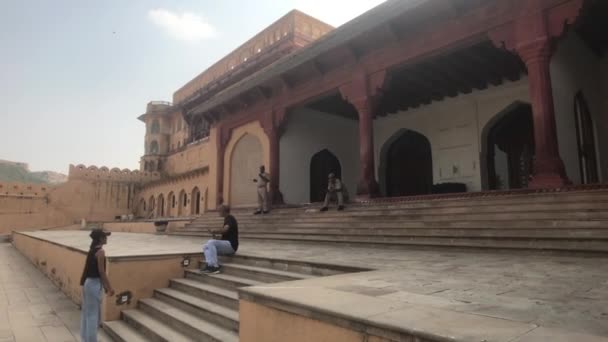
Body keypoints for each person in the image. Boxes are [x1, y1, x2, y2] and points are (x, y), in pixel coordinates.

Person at [80, 228, 114, 342]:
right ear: (100, 238)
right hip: (93, 284)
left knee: (87, 313)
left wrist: (104, 287)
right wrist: (109, 288)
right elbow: (102, 272)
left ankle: (85, 338)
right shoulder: (101, 252)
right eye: (105, 236)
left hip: (88, 284)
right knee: (93, 315)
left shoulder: (92, 250)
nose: (106, 238)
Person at [202, 205, 238, 274]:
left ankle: (215, 267)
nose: (218, 212)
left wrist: (214, 231)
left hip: (232, 246)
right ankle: (210, 265)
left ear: (224, 211)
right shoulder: (226, 219)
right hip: (227, 245)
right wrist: (215, 237)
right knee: (205, 246)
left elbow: (225, 229)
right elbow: (224, 237)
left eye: (219, 211)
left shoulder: (230, 218)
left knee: (210, 242)